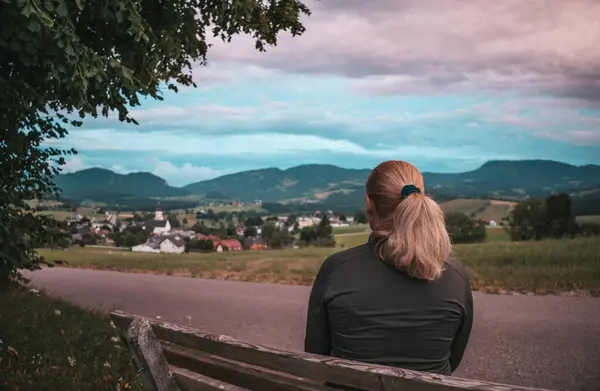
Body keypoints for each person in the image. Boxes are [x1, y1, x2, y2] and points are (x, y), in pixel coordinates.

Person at [304, 160, 474, 383]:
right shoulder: (454, 275)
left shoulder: (337, 269)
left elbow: (316, 356)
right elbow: (453, 358)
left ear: (369, 204)